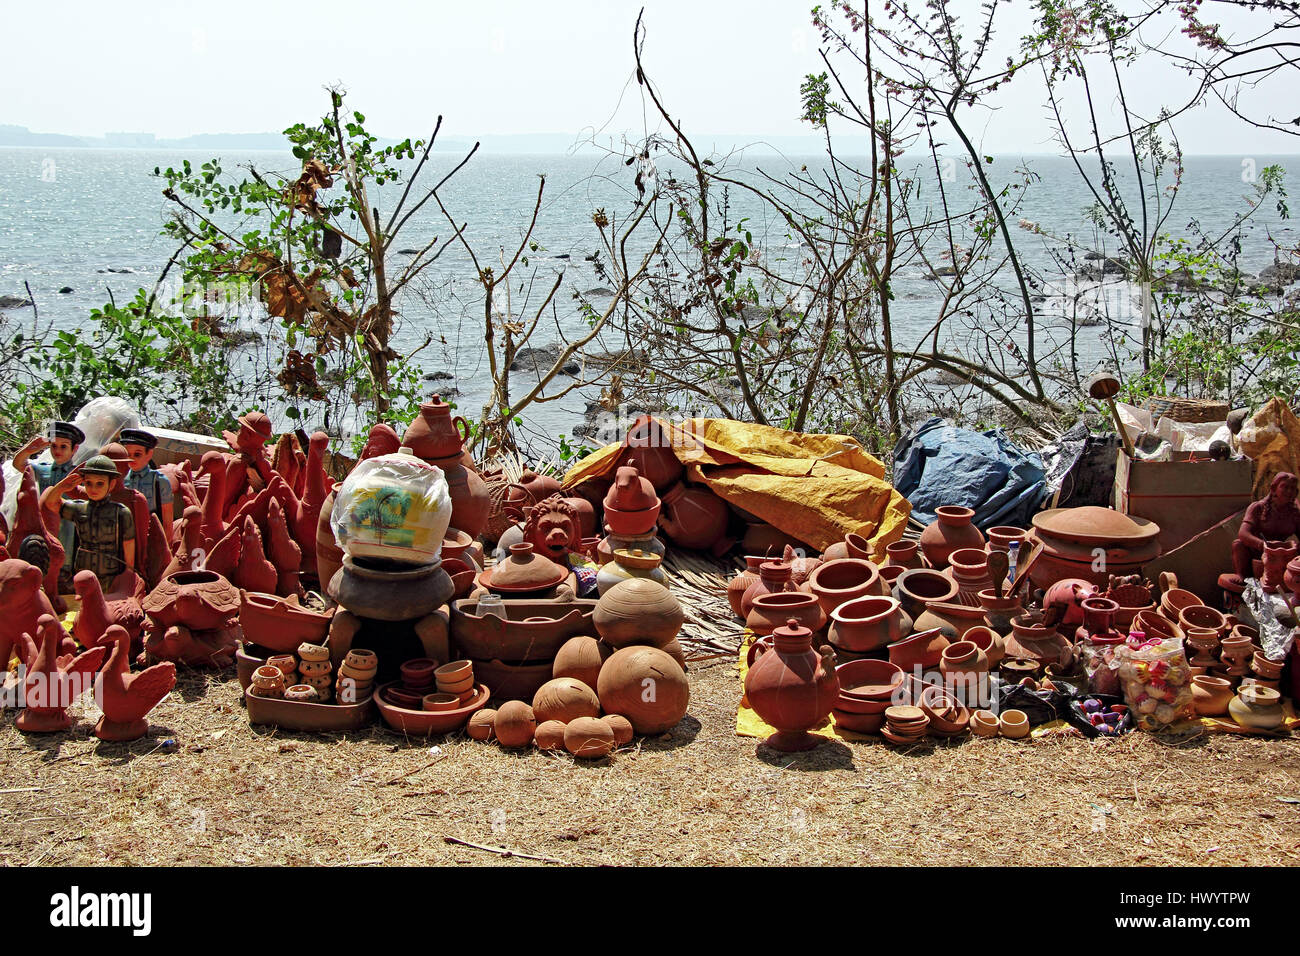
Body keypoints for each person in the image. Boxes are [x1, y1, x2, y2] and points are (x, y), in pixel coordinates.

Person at [42, 455, 134, 591]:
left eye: (100, 483)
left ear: (112, 484)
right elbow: (51, 503)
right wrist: (62, 487)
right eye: (88, 483)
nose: (93, 488)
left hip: (110, 574)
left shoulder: (121, 512)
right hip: (83, 571)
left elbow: (129, 544)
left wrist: (128, 573)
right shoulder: (78, 509)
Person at [11, 422, 85, 586]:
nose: (57, 451)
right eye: (54, 446)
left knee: (66, 538)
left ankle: (63, 573)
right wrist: (29, 450)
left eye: (63, 446)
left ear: (74, 449)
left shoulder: (79, 473)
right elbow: (18, 464)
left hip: (66, 520)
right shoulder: (42, 469)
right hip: (43, 519)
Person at [1231, 471, 1300, 582]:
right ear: (1274, 489)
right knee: (1238, 544)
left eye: (1292, 488)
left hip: (1282, 556)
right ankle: (1241, 575)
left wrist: (1295, 548)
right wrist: (1262, 545)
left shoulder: (1295, 513)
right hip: (1257, 553)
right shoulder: (1258, 507)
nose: (1289, 491)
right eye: (1284, 487)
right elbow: (1243, 534)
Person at [120, 428, 174, 543]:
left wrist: (165, 546)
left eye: (137, 454)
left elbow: (167, 522)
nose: (132, 458)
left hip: (151, 537)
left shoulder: (160, 481)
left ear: (149, 454)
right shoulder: (121, 479)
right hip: (125, 537)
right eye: (128, 454)